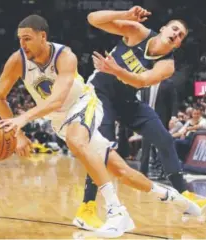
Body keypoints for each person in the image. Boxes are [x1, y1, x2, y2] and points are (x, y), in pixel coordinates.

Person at [0, 14, 193, 238]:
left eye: (27, 38)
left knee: (77, 141)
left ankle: (117, 212)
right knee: (121, 171)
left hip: (85, 103)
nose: (22, 44)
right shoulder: (17, 60)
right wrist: (18, 134)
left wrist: (22, 119)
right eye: (20, 39)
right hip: (60, 119)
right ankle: (171, 196)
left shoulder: (64, 56)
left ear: (43, 37)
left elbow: (58, 100)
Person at [72, 6, 205, 230]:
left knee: (164, 138)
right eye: (174, 29)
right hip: (100, 94)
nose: (176, 34)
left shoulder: (167, 64)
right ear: (163, 29)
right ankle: (87, 206)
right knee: (101, 149)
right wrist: (123, 14)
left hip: (127, 100)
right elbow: (92, 18)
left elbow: (141, 81)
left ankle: (184, 194)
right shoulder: (137, 32)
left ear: (178, 44)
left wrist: (116, 70)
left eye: (180, 35)